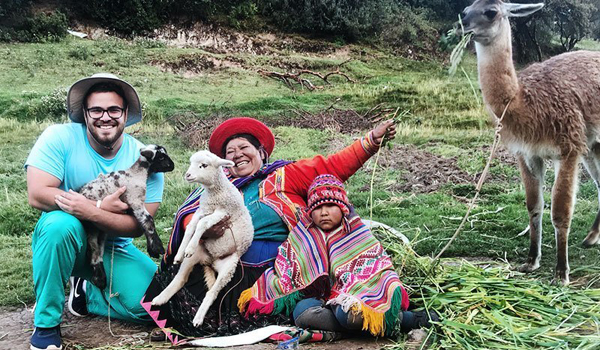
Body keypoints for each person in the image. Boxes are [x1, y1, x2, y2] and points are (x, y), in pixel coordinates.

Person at [142, 116, 396, 342]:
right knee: (183, 268)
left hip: (273, 272)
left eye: (244, 148)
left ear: (262, 153)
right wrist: (206, 232)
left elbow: (331, 167)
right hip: (219, 263)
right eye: (230, 151)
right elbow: (189, 218)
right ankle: (185, 324)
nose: (237, 154)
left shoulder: (285, 175)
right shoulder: (213, 189)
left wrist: (371, 141)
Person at [25, 73, 165, 350]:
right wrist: (97, 207)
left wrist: (94, 212)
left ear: (126, 114)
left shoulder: (144, 158)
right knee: (58, 226)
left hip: (114, 245)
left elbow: (137, 226)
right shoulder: (59, 137)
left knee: (154, 307)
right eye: (96, 110)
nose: (105, 117)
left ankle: (88, 292)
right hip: (69, 237)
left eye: (114, 109)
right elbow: (39, 194)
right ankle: (46, 325)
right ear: (85, 114)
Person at [238, 174, 439, 337]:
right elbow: (287, 266)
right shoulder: (303, 234)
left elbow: (378, 267)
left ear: (343, 208)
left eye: (330, 206)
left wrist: (349, 294)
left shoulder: (357, 233)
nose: (323, 213)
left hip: (356, 295)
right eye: (317, 208)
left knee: (348, 315)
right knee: (302, 314)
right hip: (322, 299)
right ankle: (374, 327)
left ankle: (410, 319)